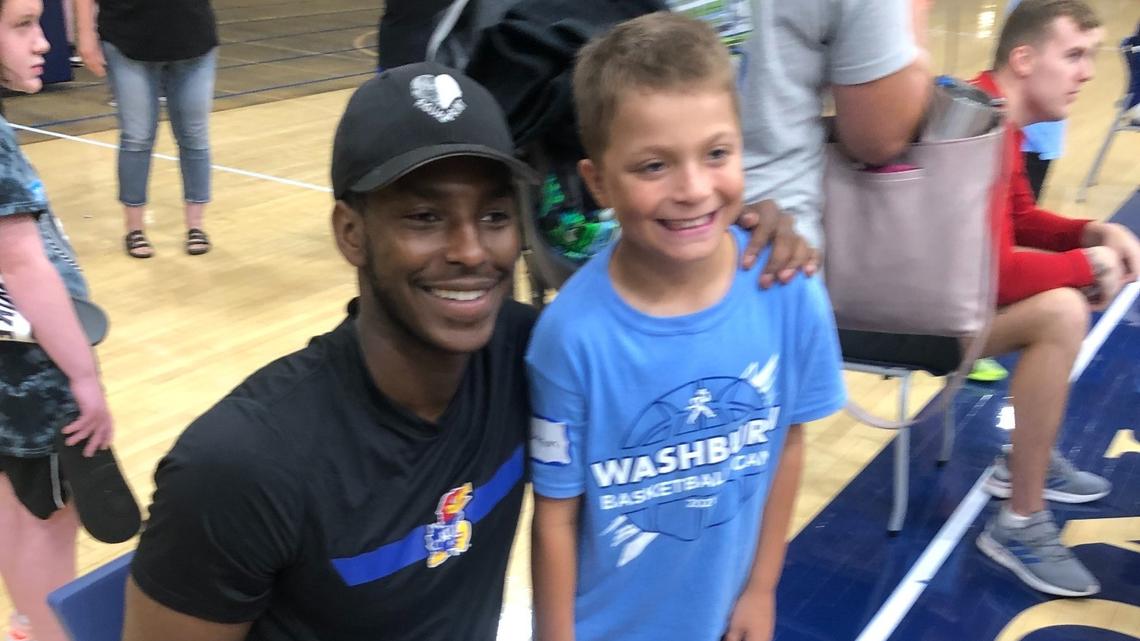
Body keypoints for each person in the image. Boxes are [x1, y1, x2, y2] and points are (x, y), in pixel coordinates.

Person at [120, 58, 815, 641]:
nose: (469, 250)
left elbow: (660, 334)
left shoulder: (531, 355)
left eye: (493, 214)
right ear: (351, 233)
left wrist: (742, 233)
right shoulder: (238, 469)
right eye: (424, 216)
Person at [527, 13, 846, 641]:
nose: (694, 188)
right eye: (653, 167)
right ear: (598, 182)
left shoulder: (789, 293)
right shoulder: (569, 339)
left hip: (728, 621)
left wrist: (760, 589)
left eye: (717, 153)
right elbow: (556, 518)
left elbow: (787, 444)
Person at [969, 0, 1140, 597]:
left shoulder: (994, 113)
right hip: (908, 316)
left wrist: (1092, 232)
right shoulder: (979, 126)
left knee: (1063, 299)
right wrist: (1084, 266)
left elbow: (1018, 217)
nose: (1088, 72)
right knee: (1063, 309)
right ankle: (1018, 520)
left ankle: (1022, 464)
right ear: (1023, 59)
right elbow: (996, 278)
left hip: (946, 302)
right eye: (1074, 55)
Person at [0, 1, 135, 640]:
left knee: (15, 508)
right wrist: (84, 377)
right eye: (22, 25)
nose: (44, 42)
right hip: (27, 382)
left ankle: (28, 622)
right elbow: (23, 266)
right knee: (48, 519)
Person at [74, 0, 218, 258]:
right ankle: (134, 228)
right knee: (136, 136)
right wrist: (85, 35)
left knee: (194, 135)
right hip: (126, 35)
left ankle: (196, 226)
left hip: (193, 34)